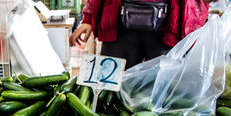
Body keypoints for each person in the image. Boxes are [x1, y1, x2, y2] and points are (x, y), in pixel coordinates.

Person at [70, 0, 218, 69]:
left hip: (170, 26)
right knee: (112, 90)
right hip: (119, 25)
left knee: (164, 91)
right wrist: (88, 18)